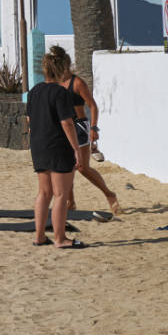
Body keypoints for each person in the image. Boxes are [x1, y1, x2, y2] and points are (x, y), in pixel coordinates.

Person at [26, 45, 86, 248]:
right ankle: (60, 238)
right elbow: (67, 123)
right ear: (61, 69)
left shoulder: (34, 92)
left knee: (44, 193)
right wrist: (77, 149)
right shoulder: (60, 93)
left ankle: (39, 236)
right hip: (58, 146)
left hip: (39, 146)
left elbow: (29, 121)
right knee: (60, 194)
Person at [51, 56, 122, 216]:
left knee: (82, 167)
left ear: (66, 64)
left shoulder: (77, 83)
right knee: (67, 167)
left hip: (80, 126)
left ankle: (109, 194)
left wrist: (94, 128)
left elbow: (93, 105)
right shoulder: (56, 84)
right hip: (65, 127)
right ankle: (70, 203)